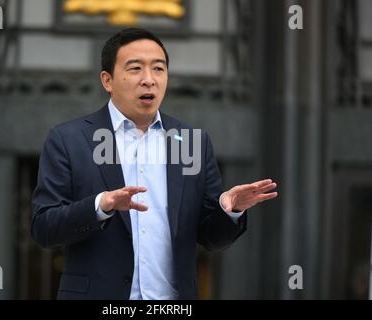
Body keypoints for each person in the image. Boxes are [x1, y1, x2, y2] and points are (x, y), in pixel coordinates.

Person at [31, 28, 278, 300]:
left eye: (158, 69)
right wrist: (100, 206)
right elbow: (43, 227)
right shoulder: (69, 139)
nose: (149, 80)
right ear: (107, 80)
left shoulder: (192, 142)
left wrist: (228, 210)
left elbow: (211, 238)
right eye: (135, 69)